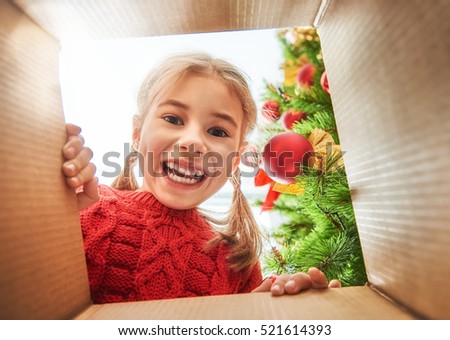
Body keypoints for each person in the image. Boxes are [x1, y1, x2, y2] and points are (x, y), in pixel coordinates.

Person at [62, 52, 340, 304]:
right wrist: (59, 219)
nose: (193, 142)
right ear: (137, 133)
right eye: (173, 119)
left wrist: (269, 311)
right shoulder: (84, 208)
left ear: (234, 160)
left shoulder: (238, 265)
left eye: (218, 132)